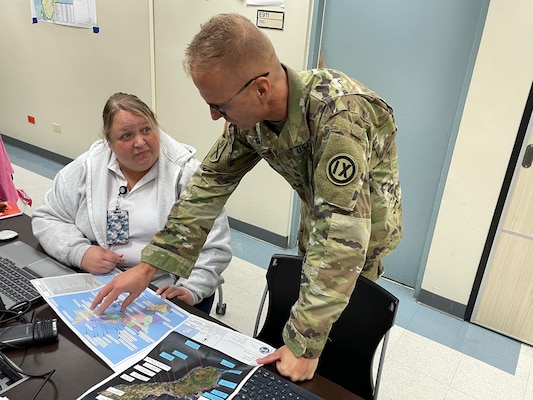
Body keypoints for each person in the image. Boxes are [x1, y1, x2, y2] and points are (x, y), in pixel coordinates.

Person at [91, 13, 402, 382]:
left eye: (219, 106)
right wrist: (147, 268)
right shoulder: (250, 119)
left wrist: (304, 343)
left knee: (334, 341)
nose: (213, 116)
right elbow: (207, 187)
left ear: (260, 89)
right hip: (319, 220)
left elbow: (342, 238)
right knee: (309, 311)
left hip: (362, 235)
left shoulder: (340, 116)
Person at [32, 92, 232, 314]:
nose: (140, 142)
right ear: (109, 142)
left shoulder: (187, 175)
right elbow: (48, 217)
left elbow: (214, 246)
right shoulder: (87, 168)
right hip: (99, 280)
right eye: (126, 136)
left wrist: (191, 289)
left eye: (146, 130)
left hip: (161, 288)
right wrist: (80, 252)